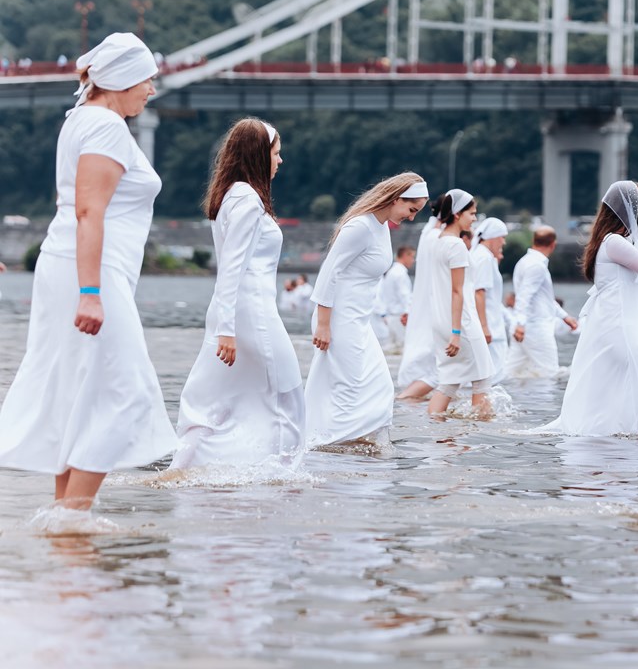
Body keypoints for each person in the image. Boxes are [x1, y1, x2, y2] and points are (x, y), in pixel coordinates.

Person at [0, 33, 175, 512]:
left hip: (74, 268)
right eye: (146, 79)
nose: (151, 90)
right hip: (88, 272)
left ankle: (65, 527)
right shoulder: (105, 127)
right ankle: (72, 519)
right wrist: (92, 291)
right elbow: (88, 212)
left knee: (78, 390)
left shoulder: (84, 120)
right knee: (128, 392)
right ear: (120, 78)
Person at [171, 119, 304, 469]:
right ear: (258, 154)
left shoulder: (231, 194)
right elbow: (232, 267)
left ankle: (186, 470)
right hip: (251, 315)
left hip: (233, 313)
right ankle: (281, 471)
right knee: (286, 394)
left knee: (216, 399)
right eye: (276, 153)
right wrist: (226, 330)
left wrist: (224, 325)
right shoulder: (247, 199)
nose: (280, 161)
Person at [540, 181, 638, 436]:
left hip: (615, 324)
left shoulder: (610, 241)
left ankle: (621, 445)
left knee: (619, 388)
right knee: (637, 385)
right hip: (619, 327)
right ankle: (635, 443)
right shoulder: (615, 242)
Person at [305, 173, 428, 447]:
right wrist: (324, 324)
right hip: (338, 318)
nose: (411, 217)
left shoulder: (381, 227)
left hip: (359, 320)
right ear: (397, 199)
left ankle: (341, 447)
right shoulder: (360, 226)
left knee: (379, 388)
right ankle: (329, 448)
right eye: (411, 210)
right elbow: (328, 273)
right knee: (348, 391)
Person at [425, 190, 494, 417]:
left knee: (449, 381)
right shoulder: (456, 246)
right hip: (461, 322)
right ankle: (480, 434)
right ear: (457, 214)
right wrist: (456, 332)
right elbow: (457, 291)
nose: (474, 218)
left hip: (442, 319)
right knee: (482, 379)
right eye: (471, 213)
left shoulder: (436, 241)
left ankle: (435, 432)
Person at [506, 227, 578, 378]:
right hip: (534, 328)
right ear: (553, 244)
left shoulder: (525, 262)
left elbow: (544, 299)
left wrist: (564, 316)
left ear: (534, 241)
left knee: (511, 374)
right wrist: (521, 324)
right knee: (549, 374)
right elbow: (525, 296)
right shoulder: (536, 266)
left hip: (524, 327)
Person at [396, 206, 447, 400]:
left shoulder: (428, 234)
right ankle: (405, 398)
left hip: (419, 310)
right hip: (426, 310)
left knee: (428, 360)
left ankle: (413, 399)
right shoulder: (437, 238)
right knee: (438, 368)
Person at [469, 217, 509, 386]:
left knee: (486, 375)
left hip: (490, 322)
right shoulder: (484, 258)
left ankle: (483, 410)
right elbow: (479, 292)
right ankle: (485, 411)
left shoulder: (479, 254)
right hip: (490, 326)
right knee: (493, 375)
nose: (504, 242)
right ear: (493, 236)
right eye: (502, 237)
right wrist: (484, 327)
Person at [376, 245, 415, 352]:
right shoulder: (400, 273)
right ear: (404, 256)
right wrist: (408, 312)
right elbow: (405, 296)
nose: (413, 260)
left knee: (391, 350)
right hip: (400, 317)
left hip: (391, 316)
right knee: (405, 349)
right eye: (411, 257)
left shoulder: (391, 272)